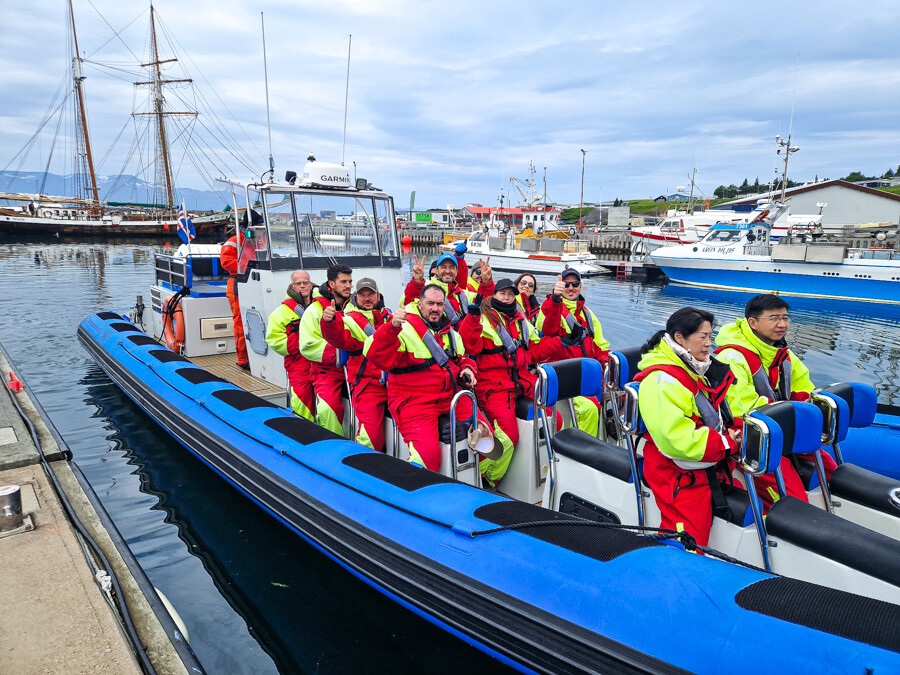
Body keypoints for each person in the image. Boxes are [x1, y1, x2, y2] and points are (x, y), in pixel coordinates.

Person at [634, 307, 742, 547]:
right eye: (702, 337)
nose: (709, 344)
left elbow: (725, 411)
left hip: (704, 466)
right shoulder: (662, 381)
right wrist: (727, 443)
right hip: (677, 474)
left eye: (710, 336)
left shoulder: (697, 369)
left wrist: (736, 433)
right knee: (688, 542)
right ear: (679, 338)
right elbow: (677, 440)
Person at [364, 282, 499, 472]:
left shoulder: (451, 333)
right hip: (414, 402)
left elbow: (461, 360)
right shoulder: (403, 328)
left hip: (451, 398)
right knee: (428, 457)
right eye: (430, 303)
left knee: (489, 442)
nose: (435, 308)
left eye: (439, 304)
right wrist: (392, 327)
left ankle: (480, 483)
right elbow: (375, 355)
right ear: (420, 304)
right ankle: (415, 488)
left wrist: (467, 369)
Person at [714, 294, 836, 502]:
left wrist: (810, 413)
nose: (782, 324)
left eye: (785, 318)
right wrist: (790, 416)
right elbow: (742, 411)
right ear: (752, 323)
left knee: (829, 468)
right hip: (753, 437)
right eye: (773, 318)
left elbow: (804, 390)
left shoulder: (781, 353)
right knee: (792, 496)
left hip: (782, 428)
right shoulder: (732, 357)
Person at [461, 278, 564, 486]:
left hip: (522, 380)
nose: (507, 298)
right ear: (494, 295)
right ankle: (486, 480)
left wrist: (559, 342)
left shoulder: (520, 319)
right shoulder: (483, 318)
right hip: (494, 385)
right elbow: (469, 345)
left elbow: (534, 350)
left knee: (556, 419)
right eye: (502, 293)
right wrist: (472, 318)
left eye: (510, 294)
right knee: (508, 437)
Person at [535, 268, 611, 435]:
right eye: (566, 284)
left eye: (575, 284)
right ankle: (583, 447)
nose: (571, 288)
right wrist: (555, 299)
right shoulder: (549, 308)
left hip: (587, 374)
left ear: (580, 287)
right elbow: (548, 328)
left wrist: (606, 361)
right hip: (563, 376)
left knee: (620, 398)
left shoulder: (588, 314)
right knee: (588, 408)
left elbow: (600, 345)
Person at [321, 278, 392, 451]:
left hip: (395, 382)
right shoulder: (349, 321)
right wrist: (329, 322)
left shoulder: (389, 317)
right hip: (368, 384)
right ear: (355, 297)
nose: (367, 298)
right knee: (371, 436)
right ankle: (365, 461)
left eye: (371, 294)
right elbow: (338, 337)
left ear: (378, 296)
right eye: (362, 295)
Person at [297, 264, 354, 435]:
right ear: (331, 284)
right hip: (327, 371)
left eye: (350, 282)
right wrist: (340, 354)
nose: (348, 286)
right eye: (343, 282)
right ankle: (333, 443)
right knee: (327, 409)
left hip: (355, 367)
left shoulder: (354, 306)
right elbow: (307, 345)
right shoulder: (314, 310)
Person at [265, 270, 315, 421]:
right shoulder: (280, 313)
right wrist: (304, 340)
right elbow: (275, 342)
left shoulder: (321, 306)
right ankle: (304, 429)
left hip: (324, 363)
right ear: (292, 287)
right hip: (298, 364)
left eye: (305, 283)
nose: (302, 286)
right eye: (298, 283)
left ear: (311, 285)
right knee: (301, 401)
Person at [403, 251, 495, 332]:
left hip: (460, 341)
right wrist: (417, 281)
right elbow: (410, 305)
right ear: (437, 271)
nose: (447, 271)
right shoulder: (425, 287)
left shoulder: (463, 294)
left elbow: (485, 302)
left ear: (456, 271)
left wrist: (486, 282)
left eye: (451, 267)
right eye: (443, 267)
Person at [219, 211, 261, 370]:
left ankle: (257, 354)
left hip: (257, 282)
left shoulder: (261, 241)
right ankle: (243, 359)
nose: (260, 229)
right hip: (238, 283)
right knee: (241, 322)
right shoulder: (234, 242)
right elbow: (226, 262)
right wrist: (249, 265)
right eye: (258, 226)